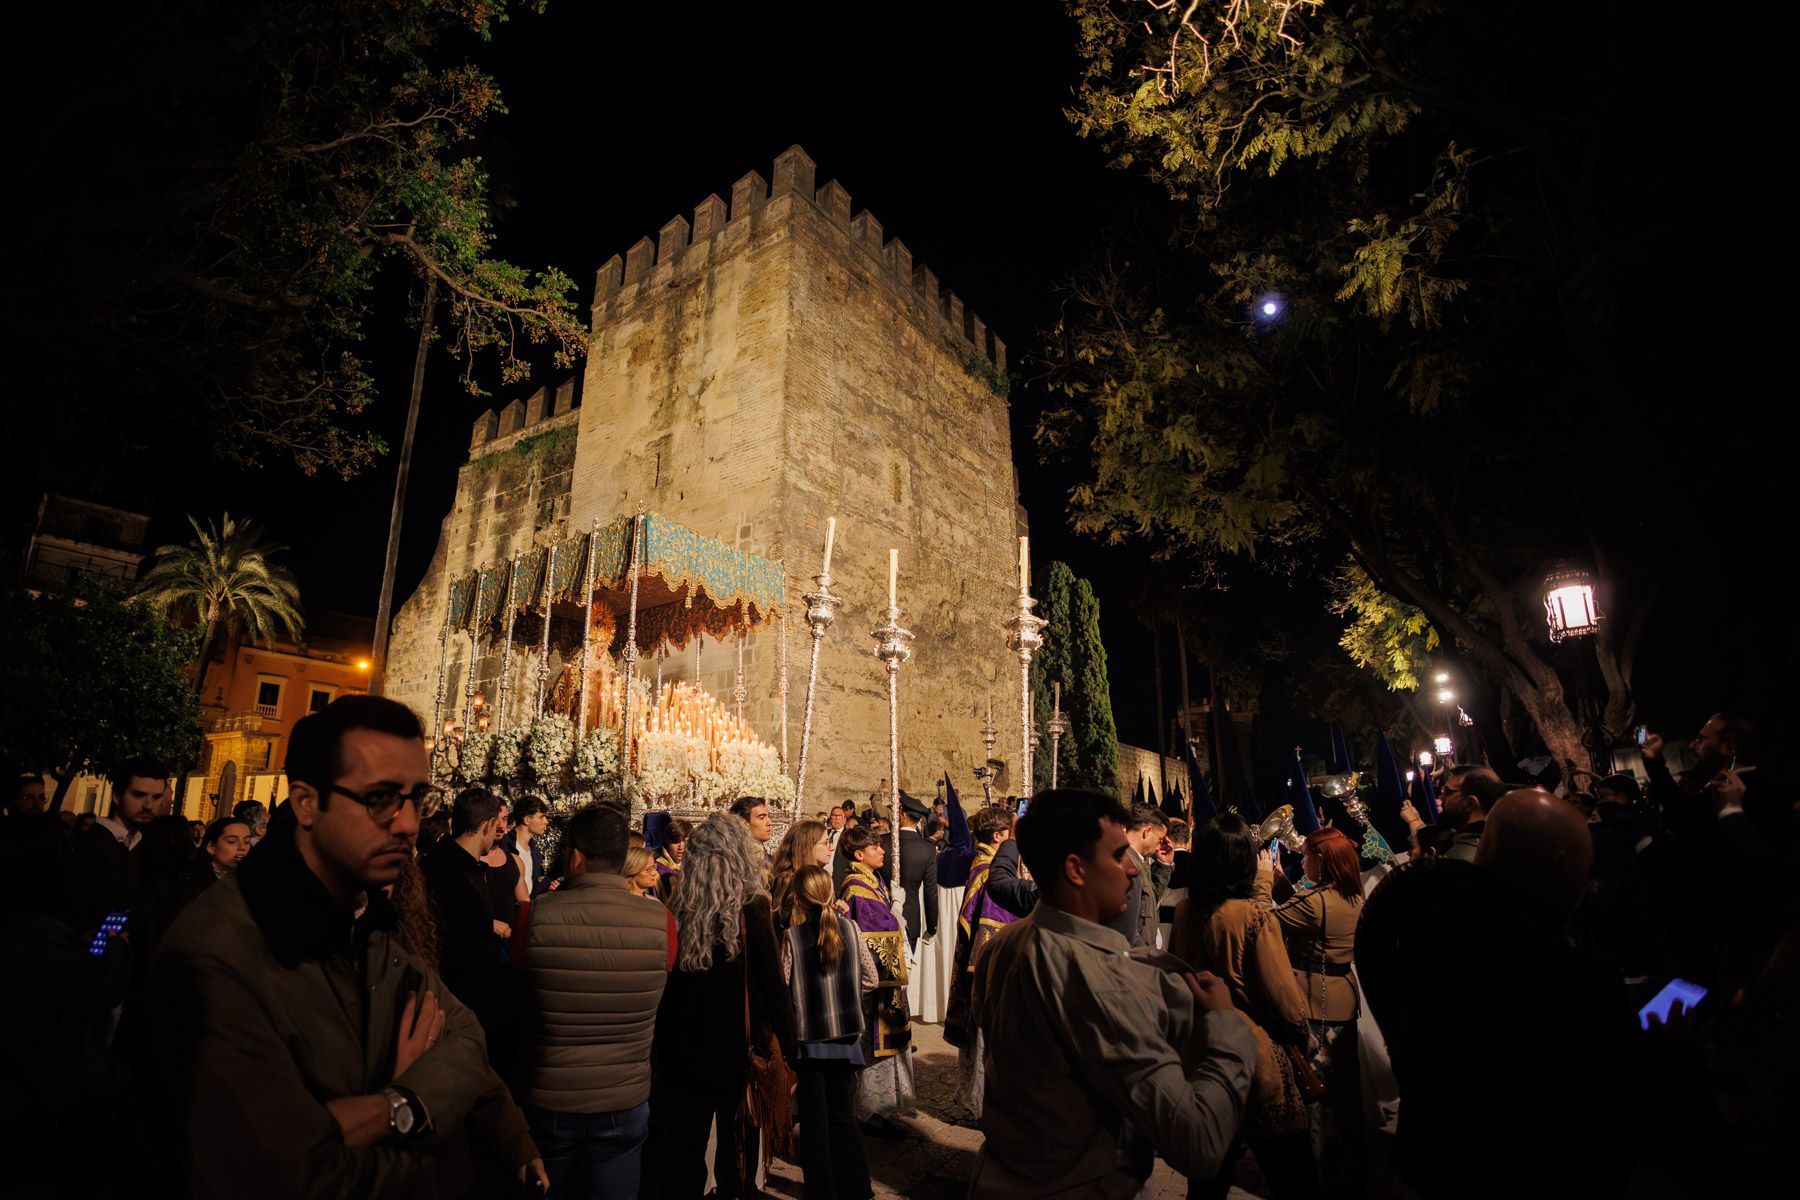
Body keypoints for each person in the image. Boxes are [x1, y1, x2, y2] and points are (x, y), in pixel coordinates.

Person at [144, 695, 535, 1195]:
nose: (409, 823)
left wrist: (389, 1107)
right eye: (380, 799)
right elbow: (291, 1175)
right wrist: (415, 1122)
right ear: (307, 803)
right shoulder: (216, 955)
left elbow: (464, 1037)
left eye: (416, 798)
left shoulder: (372, 920)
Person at [969, 790, 1257, 1198]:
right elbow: (1198, 1142)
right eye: (1119, 855)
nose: (1132, 871)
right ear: (1076, 869)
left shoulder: (1004, 944)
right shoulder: (1096, 978)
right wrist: (1226, 1025)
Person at [1358, 790, 1634, 1198]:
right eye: (1585, 867)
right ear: (1559, 867)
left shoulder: (1426, 929)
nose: (1589, 882)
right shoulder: (1570, 972)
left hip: (1429, 1162)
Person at [519, 801, 676, 1198]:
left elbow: (517, 1000)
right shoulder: (662, 923)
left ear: (573, 856)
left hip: (549, 1095)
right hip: (623, 1097)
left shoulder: (533, 916)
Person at [641, 815, 792, 1200]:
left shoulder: (678, 906)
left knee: (686, 1149)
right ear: (740, 856)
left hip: (684, 1048)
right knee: (737, 1151)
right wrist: (792, 1047)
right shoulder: (753, 907)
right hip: (735, 1049)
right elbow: (773, 985)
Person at [1169, 816, 1320, 1200]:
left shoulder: (1187, 910)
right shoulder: (1253, 917)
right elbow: (1283, 1000)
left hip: (1204, 1055)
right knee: (1294, 1176)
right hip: (1256, 1059)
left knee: (1207, 1183)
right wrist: (1304, 1036)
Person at [1270, 827, 1365, 1197]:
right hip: (1342, 999)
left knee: (1316, 1095)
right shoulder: (1348, 894)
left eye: (1306, 855)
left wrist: (1264, 882)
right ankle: (1352, 1172)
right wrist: (1283, 884)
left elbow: (1267, 921)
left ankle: (1320, 1179)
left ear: (1322, 860)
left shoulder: (1317, 902)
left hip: (1317, 1003)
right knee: (1345, 1095)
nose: (1302, 860)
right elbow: (1304, 911)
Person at [779, 865, 876, 1200]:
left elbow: (785, 983)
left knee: (814, 1123)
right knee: (843, 1117)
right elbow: (871, 978)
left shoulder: (792, 937)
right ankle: (858, 1187)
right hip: (846, 1038)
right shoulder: (850, 929)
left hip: (810, 1042)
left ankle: (822, 1190)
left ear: (798, 899)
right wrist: (846, 994)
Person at [942, 805, 1019, 1118]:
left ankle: (975, 1095)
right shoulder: (989, 871)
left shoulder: (981, 862)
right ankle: (981, 1101)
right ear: (999, 836)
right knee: (986, 1038)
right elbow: (993, 923)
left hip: (976, 967)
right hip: (987, 970)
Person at [838, 826, 915, 1133]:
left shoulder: (872, 880)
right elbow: (879, 931)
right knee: (873, 1046)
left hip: (885, 979)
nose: (882, 851)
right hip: (874, 983)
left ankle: (881, 1107)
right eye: (875, 847)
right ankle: (869, 1110)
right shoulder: (858, 888)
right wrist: (896, 907)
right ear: (859, 855)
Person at [421, 787, 507, 1051]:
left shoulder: (442, 862)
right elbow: (462, 945)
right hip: (457, 1004)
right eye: (496, 825)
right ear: (486, 825)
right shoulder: (455, 874)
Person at [65, 757, 166, 930]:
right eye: (139, 795)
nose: (149, 805)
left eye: (156, 797)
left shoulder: (141, 845)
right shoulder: (91, 845)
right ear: (117, 796)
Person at [1107, 803, 1165, 948]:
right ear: (1147, 831)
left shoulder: (1141, 862)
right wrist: (1148, 957)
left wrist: (1165, 866)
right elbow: (1127, 929)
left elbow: (1147, 904)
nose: (1159, 847)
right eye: (1160, 839)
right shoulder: (1126, 864)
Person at [896, 792, 939, 952]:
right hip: (910, 917)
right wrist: (932, 925)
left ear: (902, 815)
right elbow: (931, 891)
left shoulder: (881, 842)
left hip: (880, 917)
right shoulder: (927, 848)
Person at [769, 818, 832, 924]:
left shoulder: (817, 878)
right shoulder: (790, 882)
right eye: (826, 843)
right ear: (807, 846)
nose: (832, 847)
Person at [1437, 766, 1505, 861]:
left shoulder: (1457, 862)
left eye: (1447, 791)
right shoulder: (1500, 838)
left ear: (1470, 803)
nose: (1441, 797)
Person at [509, 795, 551, 897]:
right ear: (527, 820)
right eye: (541, 817)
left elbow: (532, 888)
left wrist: (548, 885)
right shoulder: (506, 845)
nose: (546, 822)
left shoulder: (534, 850)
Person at [654, 817, 692, 904]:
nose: (681, 847)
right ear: (667, 841)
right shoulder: (657, 870)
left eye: (686, 842)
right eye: (676, 842)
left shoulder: (694, 867)